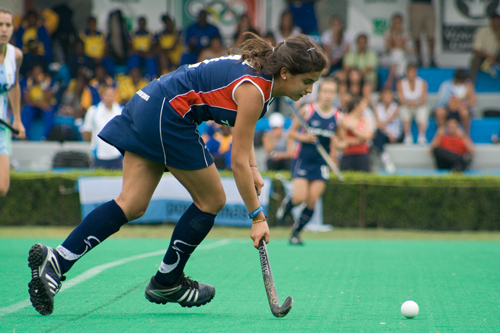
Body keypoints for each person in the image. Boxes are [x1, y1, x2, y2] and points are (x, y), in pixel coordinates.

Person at [27, 32, 327, 315]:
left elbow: (240, 138)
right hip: (170, 114)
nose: (310, 90)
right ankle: (167, 280)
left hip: (149, 103)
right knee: (212, 199)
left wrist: (253, 167)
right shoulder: (255, 90)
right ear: (286, 72)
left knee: (131, 204)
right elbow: (236, 162)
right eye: (308, 81)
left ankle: (57, 261)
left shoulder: (262, 80)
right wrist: (258, 217)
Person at [275, 78, 341, 244]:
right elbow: (291, 133)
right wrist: (304, 137)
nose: (327, 95)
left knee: (312, 200)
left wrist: (339, 145)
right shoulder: (308, 111)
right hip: (303, 159)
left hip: (321, 164)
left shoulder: (338, 117)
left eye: (331, 92)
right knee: (299, 197)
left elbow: (340, 140)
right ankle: (286, 206)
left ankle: (296, 233)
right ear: (320, 93)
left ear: (335, 95)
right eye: (325, 91)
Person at [0, 8, 25, 196]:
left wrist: (17, 119)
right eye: (0, 25)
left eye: (8, 25)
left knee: (2, 187)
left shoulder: (16, 55)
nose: (4, 29)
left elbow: (14, 86)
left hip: (2, 127)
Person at [80, 85, 123, 170]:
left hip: (117, 155)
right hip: (99, 155)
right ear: (102, 96)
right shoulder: (93, 111)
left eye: (111, 95)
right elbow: (86, 132)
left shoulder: (121, 111)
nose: (110, 98)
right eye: (107, 95)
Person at [336, 95, 374, 172]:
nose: (365, 107)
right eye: (363, 104)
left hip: (362, 153)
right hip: (348, 154)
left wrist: (352, 128)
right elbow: (343, 138)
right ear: (356, 106)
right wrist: (358, 140)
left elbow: (368, 136)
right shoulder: (344, 119)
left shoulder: (364, 120)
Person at [20, 64, 57, 140]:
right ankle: (24, 136)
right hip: (35, 107)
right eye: (35, 74)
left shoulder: (48, 82)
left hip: (44, 107)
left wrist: (42, 86)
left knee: (49, 109)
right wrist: (41, 104)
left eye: (39, 73)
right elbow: (27, 100)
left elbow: (48, 99)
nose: (38, 75)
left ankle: (47, 137)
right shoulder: (28, 82)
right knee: (27, 108)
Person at [435, 69, 476, 136]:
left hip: (462, 108)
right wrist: (451, 105)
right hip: (449, 109)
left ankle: (466, 135)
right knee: (440, 112)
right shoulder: (446, 85)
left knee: (464, 112)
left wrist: (463, 105)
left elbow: (473, 100)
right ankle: (442, 134)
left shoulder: (468, 86)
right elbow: (442, 102)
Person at [397, 63, 429, 144]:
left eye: (413, 72)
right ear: (406, 73)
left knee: (422, 110)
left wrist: (415, 103)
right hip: (406, 105)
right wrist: (410, 103)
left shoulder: (422, 83)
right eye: (410, 72)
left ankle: (422, 136)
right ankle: (407, 135)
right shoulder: (401, 83)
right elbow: (401, 99)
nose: (411, 74)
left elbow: (423, 99)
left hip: (418, 105)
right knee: (403, 110)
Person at [373, 88, 401, 173]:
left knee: (377, 135)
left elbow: (386, 121)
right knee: (377, 134)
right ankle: (385, 157)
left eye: (389, 96)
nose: (387, 98)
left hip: (395, 135)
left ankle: (384, 156)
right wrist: (388, 133)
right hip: (385, 134)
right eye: (385, 96)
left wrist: (389, 133)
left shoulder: (395, 107)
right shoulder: (377, 107)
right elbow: (377, 124)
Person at [469, 14, 500, 84]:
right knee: (475, 59)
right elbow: (476, 49)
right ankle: (471, 83)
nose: (497, 24)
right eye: (495, 22)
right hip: (484, 56)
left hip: (497, 57)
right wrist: (489, 56)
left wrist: (498, 36)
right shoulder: (483, 31)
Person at [383, 13, 411, 89]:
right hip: (388, 57)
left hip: (401, 58)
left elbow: (401, 47)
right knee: (397, 54)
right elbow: (390, 48)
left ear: (402, 24)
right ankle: (399, 85)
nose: (396, 25)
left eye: (398, 23)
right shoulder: (388, 32)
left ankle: (390, 81)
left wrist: (396, 35)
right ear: (392, 23)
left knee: (398, 56)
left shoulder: (405, 33)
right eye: (395, 23)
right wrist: (395, 35)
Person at [409, 0, 436, 67]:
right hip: (415, 4)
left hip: (428, 5)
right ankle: (419, 59)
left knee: (431, 34)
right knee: (416, 35)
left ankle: (432, 59)